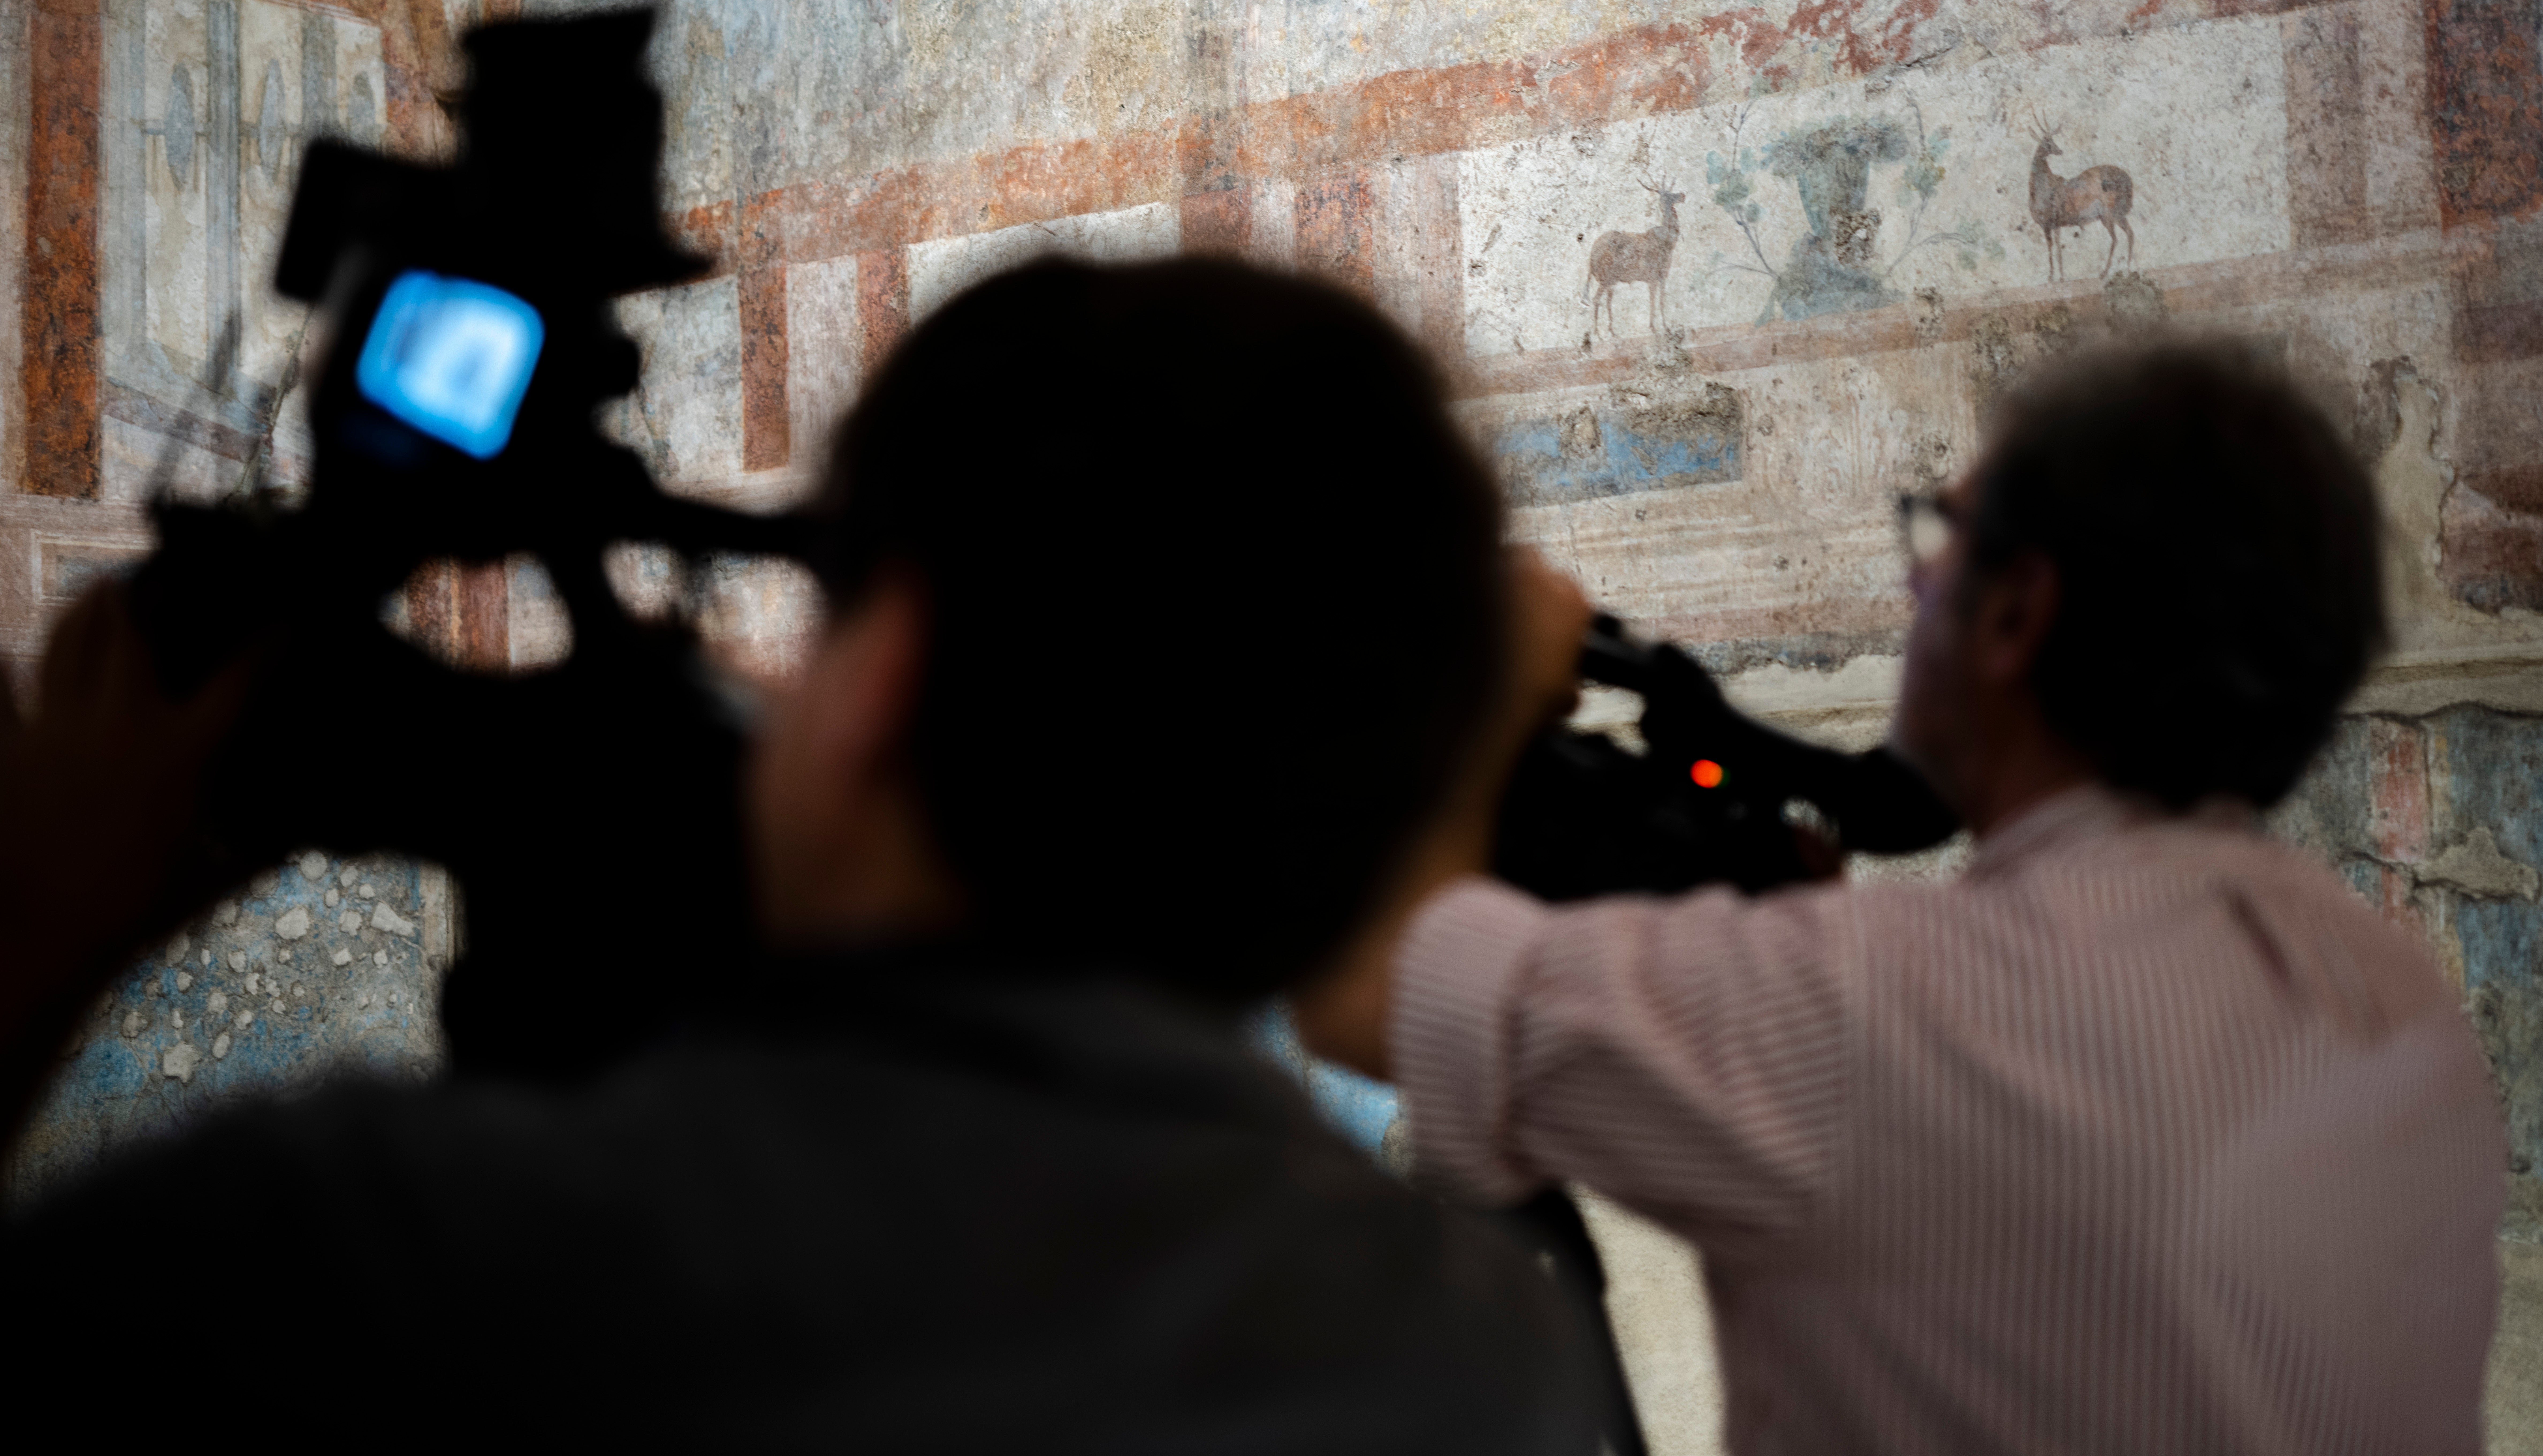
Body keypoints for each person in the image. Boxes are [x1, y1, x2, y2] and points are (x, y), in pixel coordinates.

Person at [0, 257, 1600, 1450]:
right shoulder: (1475, 1353)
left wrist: (42, 914)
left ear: (885, 676)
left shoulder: (356, 1269)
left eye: (817, 622)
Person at [1297, 341, 2508, 1454]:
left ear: (2018, 612)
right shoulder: (2407, 1008)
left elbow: (1357, 983)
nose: (1919, 583)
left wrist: (1487, 687)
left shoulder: (1862, 1014)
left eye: (1941, 540)